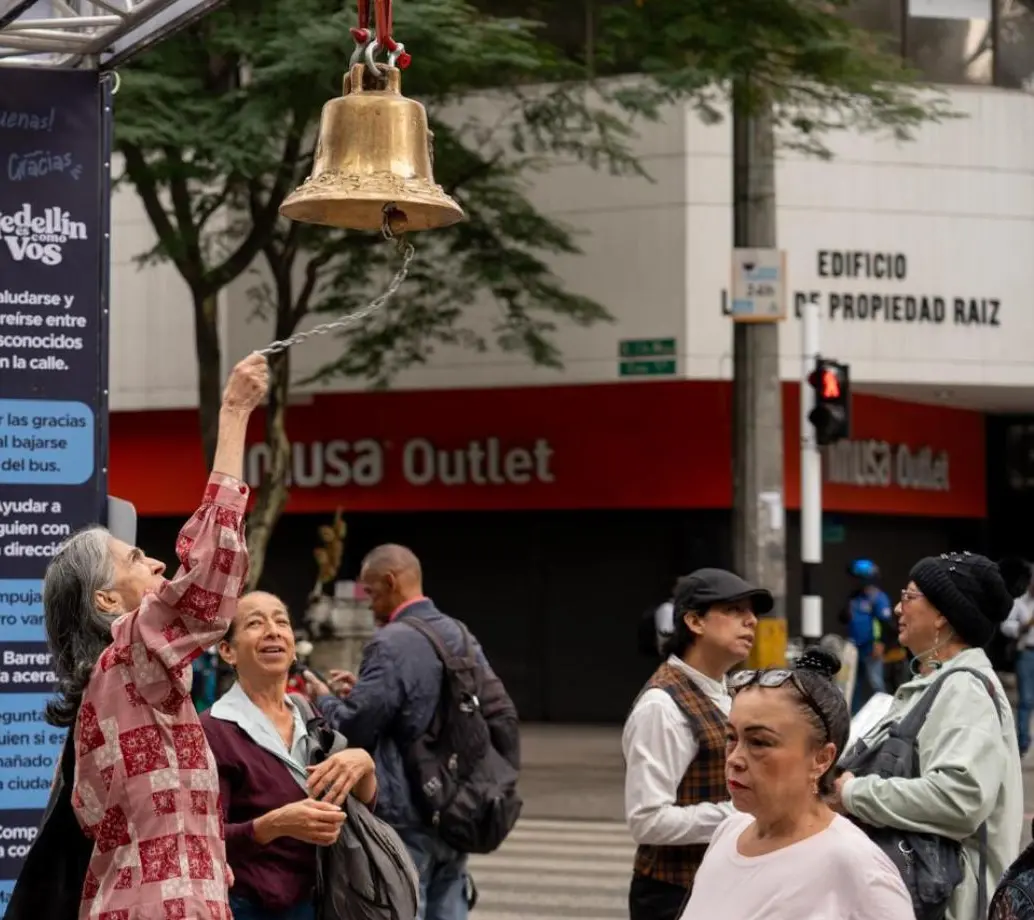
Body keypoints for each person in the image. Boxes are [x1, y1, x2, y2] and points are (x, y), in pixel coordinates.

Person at [15, 353, 268, 920]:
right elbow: (208, 584)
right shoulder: (126, 660)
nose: (156, 564)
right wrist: (233, 416)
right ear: (105, 602)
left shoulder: (124, 694)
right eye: (135, 558)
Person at [304, 544, 519, 920]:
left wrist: (324, 700)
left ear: (390, 582)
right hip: (455, 805)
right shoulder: (459, 633)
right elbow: (482, 707)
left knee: (405, 906)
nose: (369, 605)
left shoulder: (391, 642)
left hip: (407, 810)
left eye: (370, 592)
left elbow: (356, 726)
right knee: (450, 905)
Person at [832, 551, 1023, 920]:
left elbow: (959, 799)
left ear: (942, 616)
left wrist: (852, 793)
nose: (898, 609)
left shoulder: (964, 690)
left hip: (949, 903)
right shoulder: (930, 682)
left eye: (909, 596)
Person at [679, 648, 914, 920]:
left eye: (759, 742)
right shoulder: (729, 831)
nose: (735, 758)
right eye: (731, 737)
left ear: (821, 759)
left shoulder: (856, 866)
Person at [202, 591, 378, 920]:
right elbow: (204, 840)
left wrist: (364, 766)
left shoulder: (308, 715)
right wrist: (273, 825)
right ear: (227, 651)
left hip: (318, 900)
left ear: (293, 647)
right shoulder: (214, 730)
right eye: (255, 623)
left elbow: (360, 812)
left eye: (281, 622)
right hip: (246, 907)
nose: (273, 630)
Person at [623, 568, 771, 920]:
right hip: (673, 895)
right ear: (695, 621)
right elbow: (647, 820)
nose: (751, 621)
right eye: (734, 610)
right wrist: (741, 813)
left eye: (752, 612)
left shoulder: (727, 689)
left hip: (721, 884)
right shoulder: (662, 705)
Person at [843, 559, 894, 714]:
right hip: (855, 646)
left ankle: (885, 714)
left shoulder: (878, 598)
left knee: (876, 683)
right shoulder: (855, 597)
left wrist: (880, 643)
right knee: (853, 684)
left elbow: (885, 623)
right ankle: (854, 715)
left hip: (871, 646)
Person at [1001, 572, 1034, 756]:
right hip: (1027, 653)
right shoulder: (1020, 603)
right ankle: (1022, 742)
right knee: (1026, 699)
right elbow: (1005, 625)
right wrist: (1021, 627)